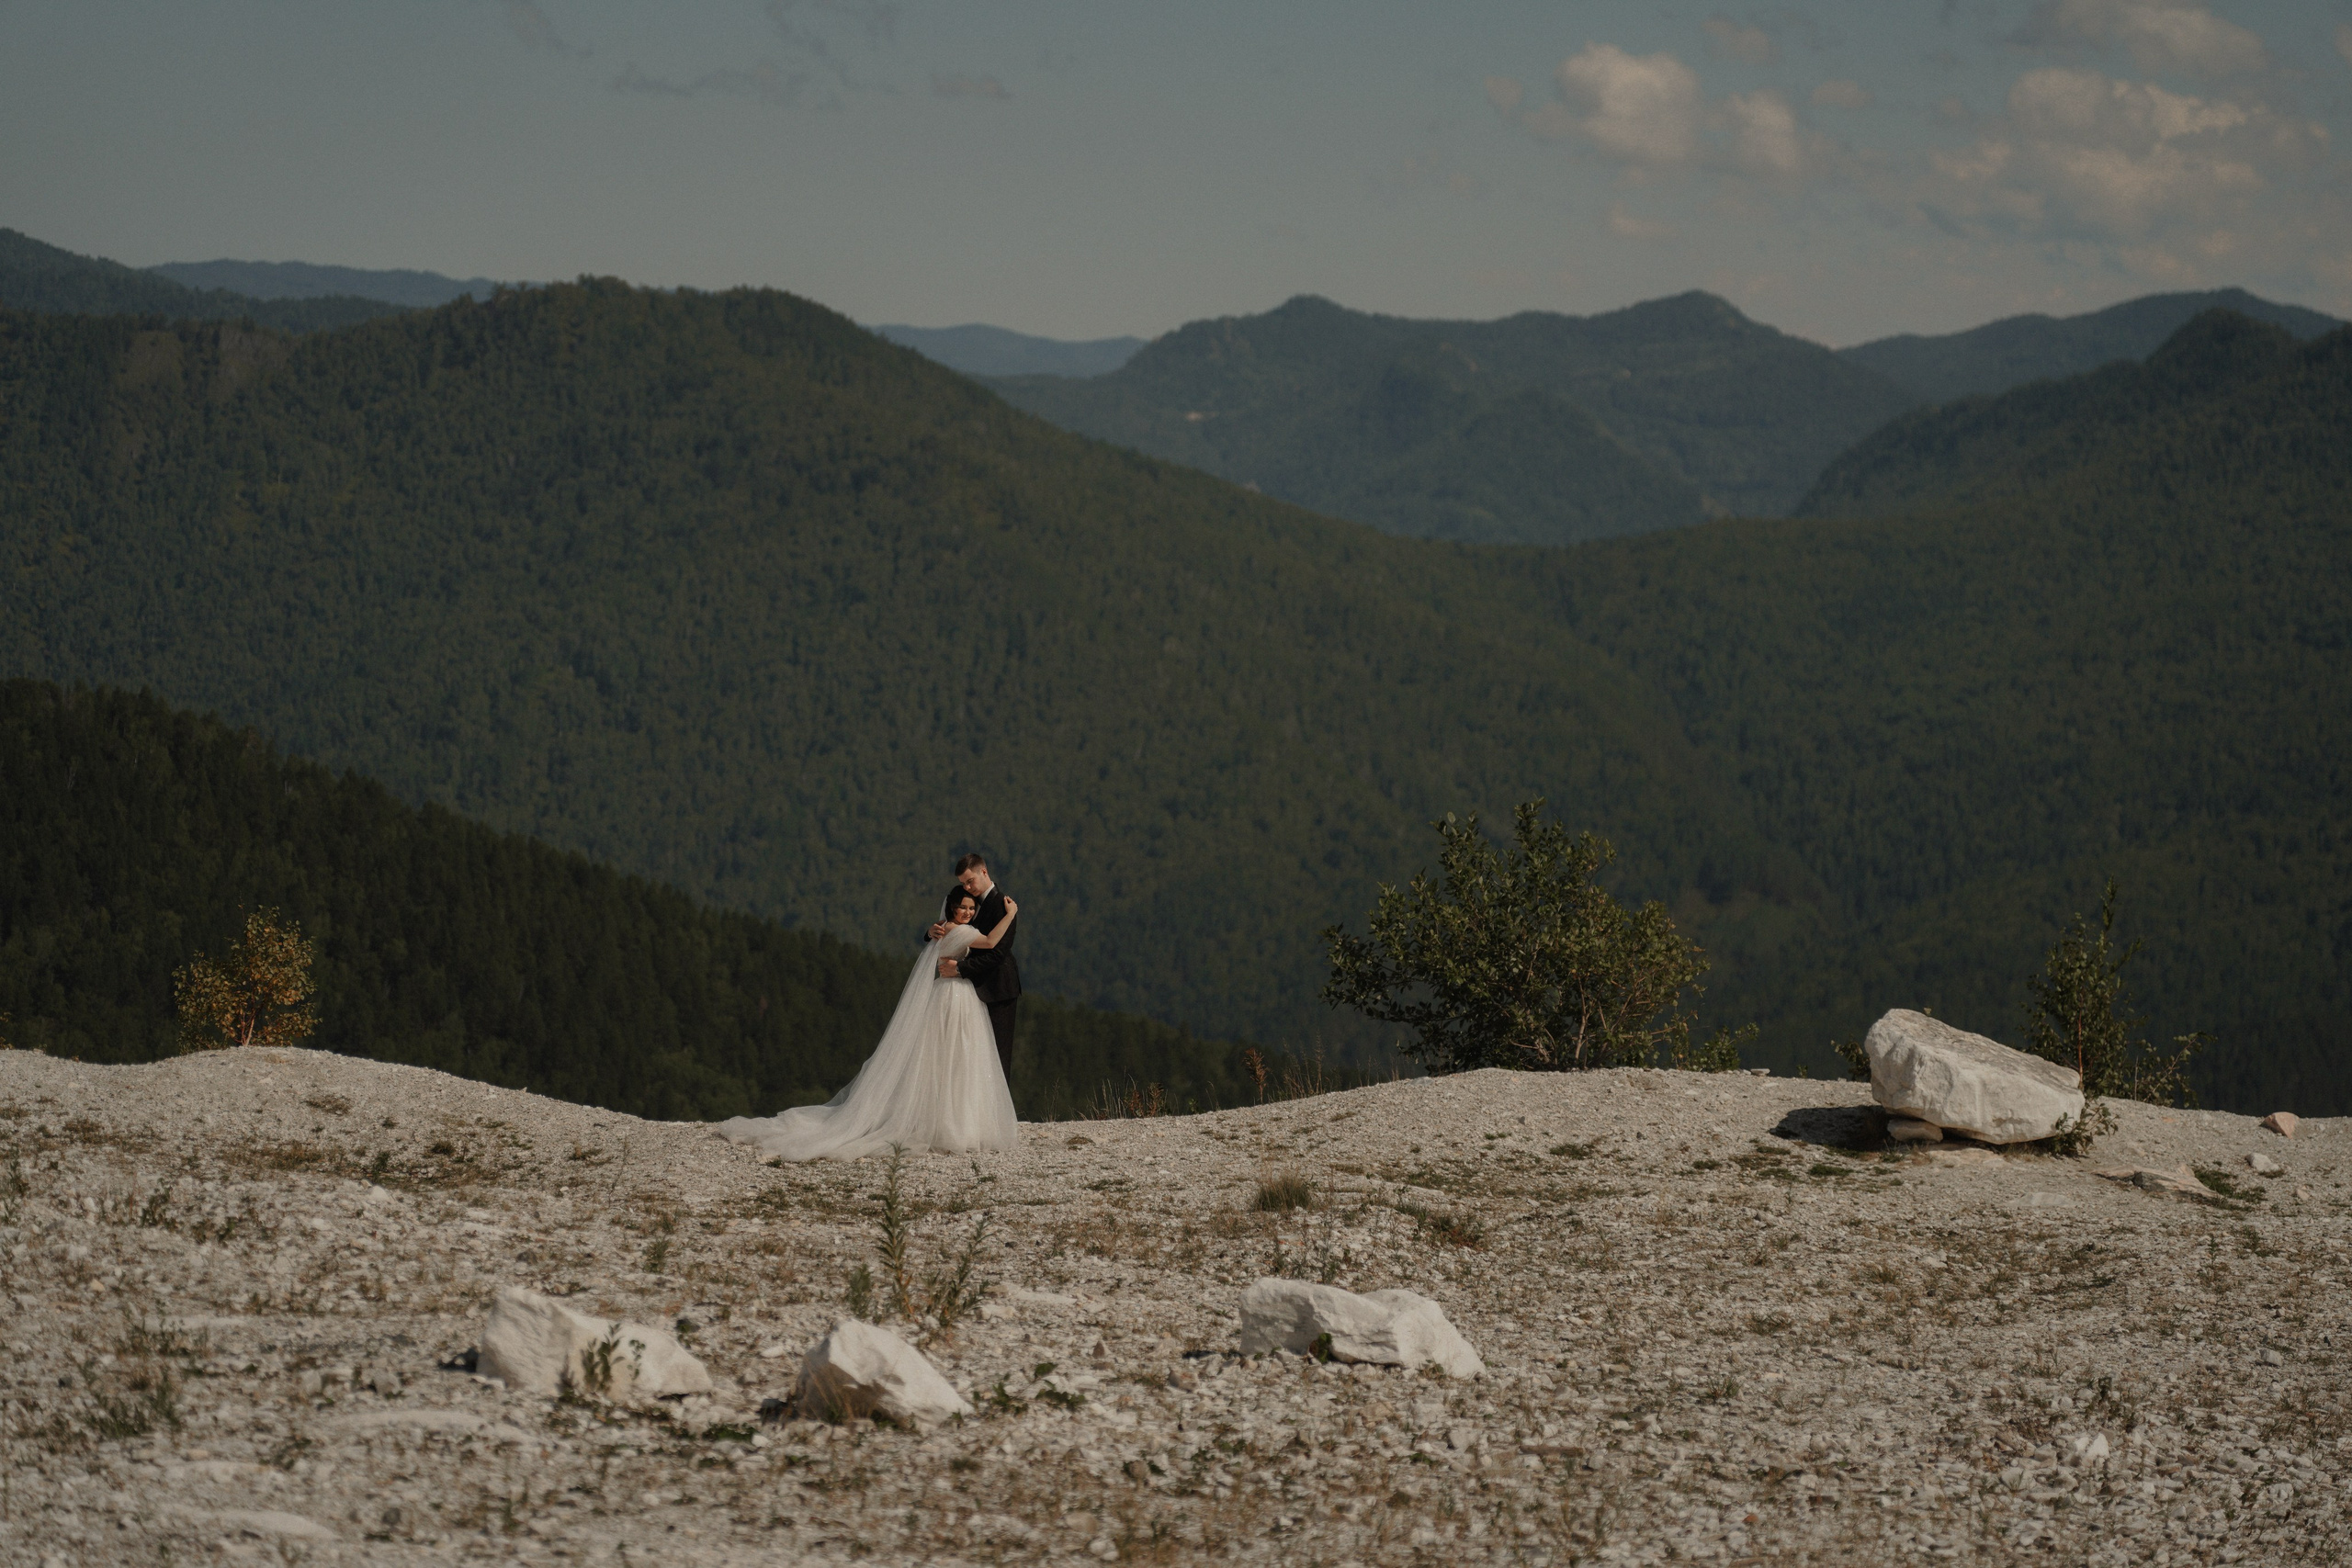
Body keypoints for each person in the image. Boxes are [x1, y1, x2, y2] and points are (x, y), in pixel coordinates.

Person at [716, 885, 1019, 1161]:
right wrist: (1011, 914)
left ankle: (946, 1122)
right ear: (952, 907)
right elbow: (992, 941)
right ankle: (956, 1125)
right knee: (956, 1056)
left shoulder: (942, 928)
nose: (967, 912)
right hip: (956, 996)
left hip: (948, 993)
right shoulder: (959, 931)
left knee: (947, 1058)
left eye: (971, 908)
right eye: (962, 907)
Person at [927, 852, 1022, 1078]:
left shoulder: (1004, 905)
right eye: (963, 883)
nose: (968, 887)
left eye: (970, 881)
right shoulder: (970, 901)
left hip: (998, 989)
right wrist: (930, 932)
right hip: (972, 990)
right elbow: (952, 925)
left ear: (984, 872)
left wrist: (959, 969)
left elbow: (996, 953)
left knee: (997, 1057)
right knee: (971, 1055)